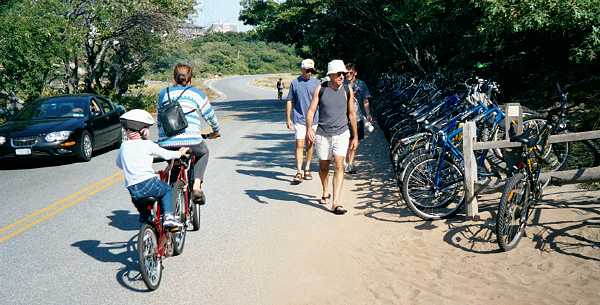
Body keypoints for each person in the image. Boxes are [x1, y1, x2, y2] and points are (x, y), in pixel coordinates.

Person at [157, 63, 220, 205]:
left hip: (166, 142)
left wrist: (161, 139)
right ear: (190, 79)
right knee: (203, 152)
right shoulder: (196, 93)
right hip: (191, 141)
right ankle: (196, 186)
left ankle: (169, 206)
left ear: (174, 78)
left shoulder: (163, 93)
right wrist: (215, 131)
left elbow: (159, 119)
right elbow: (210, 116)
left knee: (173, 164)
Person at [116, 109, 190, 228]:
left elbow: (119, 164)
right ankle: (168, 217)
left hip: (133, 189)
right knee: (166, 190)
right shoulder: (147, 144)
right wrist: (179, 153)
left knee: (145, 213)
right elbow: (166, 154)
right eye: (147, 128)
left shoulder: (124, 146)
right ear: (143, 130)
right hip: (148, 183)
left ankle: (147, 226)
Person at [306, 59, 358, 215]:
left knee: (339, 165)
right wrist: (309, 128)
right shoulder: (320, 89)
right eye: (339, 73)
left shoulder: (347, 90)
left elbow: (351, 114)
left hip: (342, 133)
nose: (342, 76)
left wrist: (355, 137)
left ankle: (336, 202)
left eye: (344, 73)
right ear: (330, 75)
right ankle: (324, 190)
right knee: (323, 166)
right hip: (322, 134)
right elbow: (311, 111)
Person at [286, 59, 321, 184]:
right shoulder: (295, 83)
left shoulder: (318, 83)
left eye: (311, 70)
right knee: (299, 145)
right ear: (302, 69)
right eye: (306, 70)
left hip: (314, 120)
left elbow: (322, 101)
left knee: (310, 144)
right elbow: (290, 100)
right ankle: (299, 171)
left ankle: (307, 169)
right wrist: (288, 118)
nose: (308, 73)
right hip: (299, 119)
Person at [344, 63, 373, 174]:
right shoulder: (342, 84)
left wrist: (368, 114)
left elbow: (366, 100)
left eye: (350, 72)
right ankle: (345, 162)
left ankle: (350, 163)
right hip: (344, 118)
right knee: (346, 141)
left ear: (355, 72)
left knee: (355, 142)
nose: (348, 75)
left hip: (358, 117)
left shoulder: (361, 84)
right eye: (346, 72)